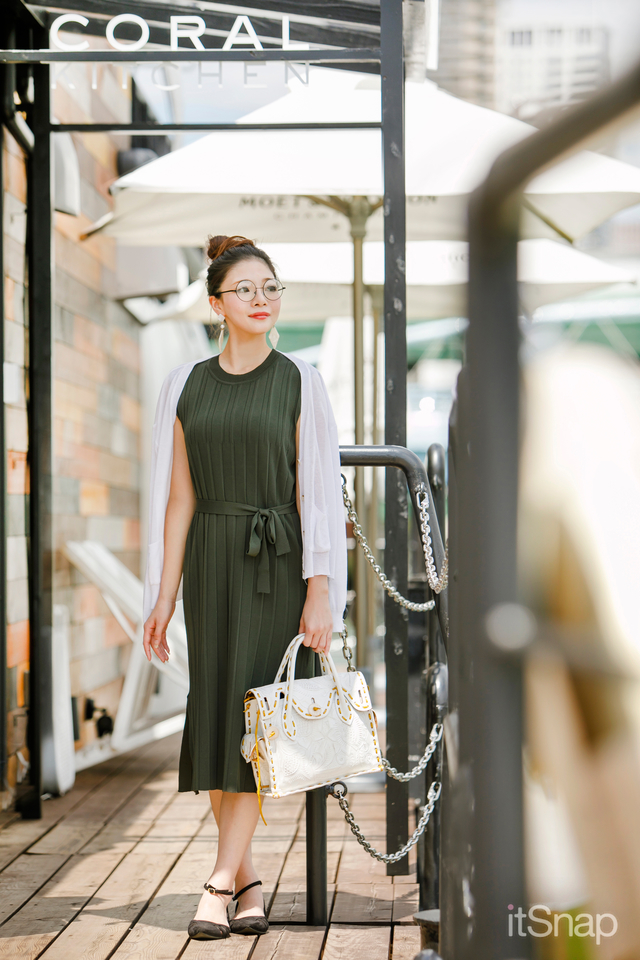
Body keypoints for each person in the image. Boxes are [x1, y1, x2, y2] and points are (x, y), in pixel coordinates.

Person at [141, 235, 347, 941]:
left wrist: (319, 589)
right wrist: (163, 597)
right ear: (216, 305)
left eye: (271, 287)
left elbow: (316, 494)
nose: (262, 300)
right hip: (211, 567)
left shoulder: (300, 380)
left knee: (257, 725)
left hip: (277, 565)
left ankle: (218, 882)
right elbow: (179, 502)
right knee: (222, 715)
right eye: (246, 290)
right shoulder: (184, 385)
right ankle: (250, 878)